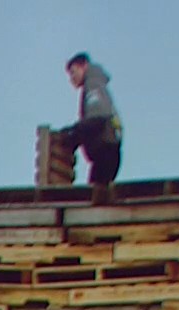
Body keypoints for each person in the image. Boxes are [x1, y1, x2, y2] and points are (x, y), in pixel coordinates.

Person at [59, 52, 123, 204]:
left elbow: (97, 120)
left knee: (95, 197)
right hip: (109, 150)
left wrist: (74, 132)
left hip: (105, 151)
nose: (72, 78)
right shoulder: (96, 83)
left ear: (84, 66)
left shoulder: (93, 83)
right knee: (97, 193)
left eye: (73, 72)